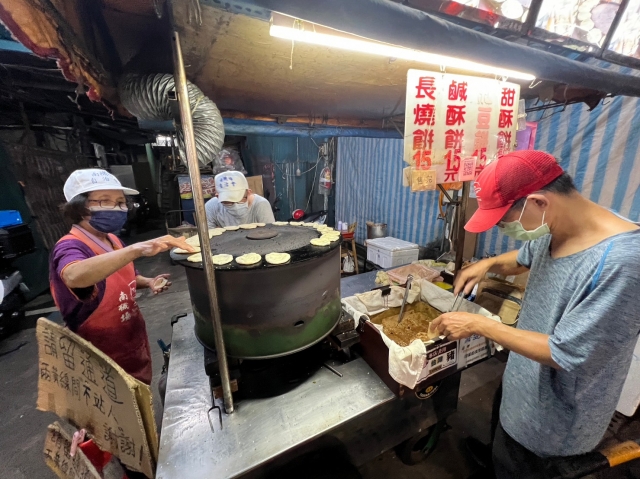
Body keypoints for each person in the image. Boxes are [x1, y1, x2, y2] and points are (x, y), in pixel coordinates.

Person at [429, 150, 640, 478]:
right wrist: (488, 264)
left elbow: (564, 353)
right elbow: (523, 257)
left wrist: (479, 324)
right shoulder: (556, 225)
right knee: (502, 453)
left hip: (554, 425)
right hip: (521, 387)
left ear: (539, 202)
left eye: (504, 221)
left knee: (520, 468)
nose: (502, 230)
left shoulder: (620, 263)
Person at [49, 169, 194, 385]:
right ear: (79, 207)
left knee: (140, 401)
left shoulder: (113, 241)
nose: (116, 208)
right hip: (99, 352)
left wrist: (148, 282)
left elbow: (124, 277)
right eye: (104, 201)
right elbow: (73, 276)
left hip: (131, 338)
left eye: (120, 202)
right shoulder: (70, 245)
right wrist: (136, 249)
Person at [205, 170, 275, 227]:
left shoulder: (261, 205)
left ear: (249, 192)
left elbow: (270, 232)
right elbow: (209, 237)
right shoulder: (211, 207)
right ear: (217, 197)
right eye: (228, 202)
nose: (235, 205)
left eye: (239, 199)